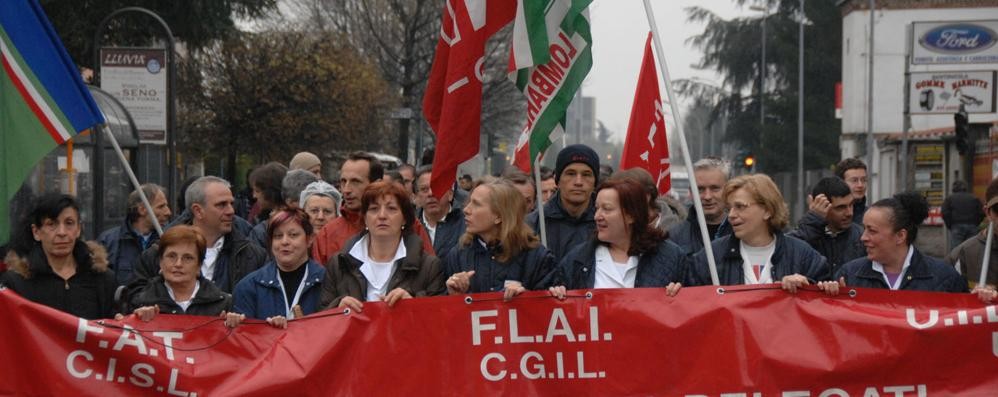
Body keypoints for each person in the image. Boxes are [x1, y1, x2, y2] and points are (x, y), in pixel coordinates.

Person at [127, 176, 268, 299]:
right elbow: (135, 298)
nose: (231, 211)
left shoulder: (253, 256)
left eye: (231, 203)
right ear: (198, 211)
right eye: (221, 205)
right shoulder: (157, 253)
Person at [820, 192, 980, 298]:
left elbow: (965, 328)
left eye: (872, 231)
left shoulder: (944, 278)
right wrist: (831, 296)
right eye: (864, 229)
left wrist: (981, 300)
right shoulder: (849, 275)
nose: (863, 238)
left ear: (900, 236)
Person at [687, 174, 829, 291]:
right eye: (729, 208)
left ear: (767, 210)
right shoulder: (710, 257)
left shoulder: (803, 256)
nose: (731, 215)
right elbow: (692, 306)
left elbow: (824, 306)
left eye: (740, 207)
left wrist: (806, 287)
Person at [320, 182, 445, 312]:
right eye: (374, 209)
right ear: (365, 218)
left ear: (404, 219)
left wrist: (413, 305)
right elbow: (321, 318)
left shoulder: (429, 266)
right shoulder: (339, 263)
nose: (382, 216)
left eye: (391, 209)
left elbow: (439, 320)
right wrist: (337, 309)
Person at [548, 178, 685, 297]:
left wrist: (680, 295)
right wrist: (557, 294)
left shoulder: (671, 258)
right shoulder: (577, 260)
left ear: (631, 215)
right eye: (596, 208)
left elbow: (690, 310)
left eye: (606, 209)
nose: (597, 216)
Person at [1, 194, 116, 319]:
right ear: (36, 232)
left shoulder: (103, 279)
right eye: (51, 224)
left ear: (79, 229)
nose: (62, 232)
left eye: (69, 223)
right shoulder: (16, 283)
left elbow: (115, 329)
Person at [312, 152, 434, 265]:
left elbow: (430, 274)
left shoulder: (409, 225)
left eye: (355, 182)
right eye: (343, 181)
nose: (346, 190)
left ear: (377, 183)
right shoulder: (328, 234)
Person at [445, 181, 556, 298]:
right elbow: (445, 312)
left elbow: (550, 308)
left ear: (499, 216)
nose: (466, 210)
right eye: (469, 202)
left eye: (476, 204)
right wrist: (455, 294)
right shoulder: (458, 254)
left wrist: (526, 297)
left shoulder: (536, 257)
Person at [233, 208, 326, 328]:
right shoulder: (249, 287)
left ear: (309, 239)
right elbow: (243, 339)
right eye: (278, 236)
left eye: (293, 235)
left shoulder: (326, 281)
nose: (285, 242)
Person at [125, 225, 236, 321]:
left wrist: (233, 327)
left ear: (199, 265)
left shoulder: (223, 304)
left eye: (187, 258)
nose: (178, 264)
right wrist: (136, 319)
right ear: (161, 262)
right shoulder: (140, 303)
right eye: (171, 256)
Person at [527, 144, 599, 259]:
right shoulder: (533, 224)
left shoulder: (606, 224)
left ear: (595, 182)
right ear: (558, 180)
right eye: (571, 174)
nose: (578, 182)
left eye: (586, 174)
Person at [789, 177, 866, 276]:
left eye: (851, 205)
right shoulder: (807, 233)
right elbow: (790, 254)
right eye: (840, 208)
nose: (849, 213)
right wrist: (814, 221)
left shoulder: (862, 238)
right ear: (823, 207)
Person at [98, 183, 172, 285]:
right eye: (161, 206)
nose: (168, 212)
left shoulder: (169, 240)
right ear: (142, 209)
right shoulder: (108, 241)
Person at [669, 157, 733, 256]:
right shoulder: (673, 238)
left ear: (729, 189)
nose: (707, 196)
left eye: (714, 188)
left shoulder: (744, 235)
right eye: (700, 189)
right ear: (691, 192)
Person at [946, 177, 998, 290]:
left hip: (957, 227)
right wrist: (970, 299)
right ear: (988, 213)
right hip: (970, 228)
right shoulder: (962, 255)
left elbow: (945, 212)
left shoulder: (951, 199)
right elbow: (946, 303)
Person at [414, 166, 466, 260]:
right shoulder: (410, 224)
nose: (430, 194)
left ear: (450, 194)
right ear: (418, 197)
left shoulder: (466, 223)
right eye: (424, 189)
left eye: (437, 187)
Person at [249, 162, 291, 248]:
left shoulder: (261, 231)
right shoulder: (301, 219)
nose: (254, 196)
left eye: (257, 191)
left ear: (270, 192)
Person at [942, 180, 984, 250]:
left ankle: (957, 261)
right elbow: (981, 212)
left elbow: (945, 212)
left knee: (956, 251)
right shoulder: (974, 198)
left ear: (954, 188)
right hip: (972, 226)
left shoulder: (950, 198)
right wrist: (976, 223)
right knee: (972, 249)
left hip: (956, 226)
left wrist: (950, 225)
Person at [835, 157, 868, 224]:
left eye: (863, 180)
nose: (860, 185)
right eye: (854, 180)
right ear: (840, 182)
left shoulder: (870, 216)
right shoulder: (828, 215)